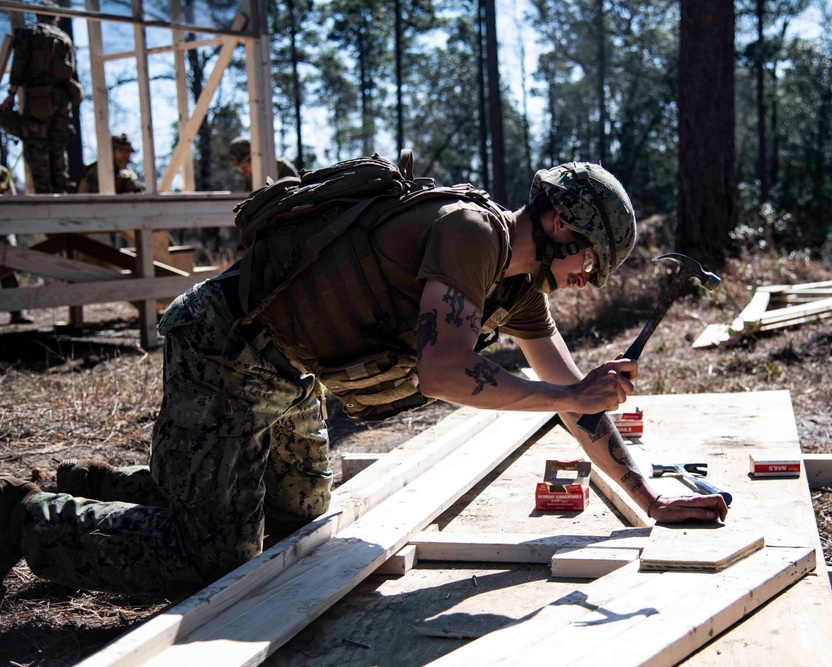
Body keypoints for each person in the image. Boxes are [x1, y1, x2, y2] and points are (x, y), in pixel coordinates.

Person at [0, 160, 727, 596]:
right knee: (214, 555)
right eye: (590, 262)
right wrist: (567, 394)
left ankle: (91, 479)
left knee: (297, 530)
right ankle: (26, 518)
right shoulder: (472, 234)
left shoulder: (519, 291)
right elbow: (445, 373)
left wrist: (650, 496)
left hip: (292, 375)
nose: (585, 281)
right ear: (564, 227)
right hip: (228, 349)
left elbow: (580, 406)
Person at [0, 0, 84, 194]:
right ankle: (61, 200)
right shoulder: (65, 38)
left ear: (38, 15)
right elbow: (73, 76)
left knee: (38, 154)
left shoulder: (30, 35)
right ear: (57, 17)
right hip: (62, 107)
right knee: (58, 156)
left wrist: (11, 95)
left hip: (38, 103)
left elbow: (19, 68)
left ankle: (45, 200)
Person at [1, 165, 32, 324]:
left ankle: (17, 312)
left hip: (4, 228)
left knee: (9, 269)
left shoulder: (2, 172)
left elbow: (11, 196)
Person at [76, 133, 144, 194]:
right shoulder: (96, 172)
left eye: (127, 152)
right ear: (111, 152)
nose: (125, 155)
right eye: (121, 151)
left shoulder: (127, 174)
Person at [228, 137, 297, 192]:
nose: (243, 171)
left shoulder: (282, 168)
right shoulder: (249, 178)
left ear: (254, 158)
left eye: (244, 166)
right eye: (240, 168)